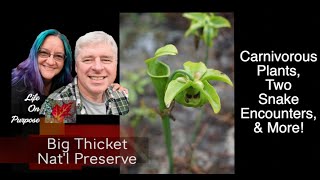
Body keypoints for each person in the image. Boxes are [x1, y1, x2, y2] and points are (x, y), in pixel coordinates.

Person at [40, 31, 129, 122]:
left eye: (106, 60)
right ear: (76, 67)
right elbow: (50, 136)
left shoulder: (123, 97)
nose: (97, 67)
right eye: (88, 60)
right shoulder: (57, 104)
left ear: (116, 64)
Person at [11, 29, 73, 115]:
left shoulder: (67, 90)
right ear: (34, 54)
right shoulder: (16, 89)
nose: (50, 62)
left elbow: (60, 127)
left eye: (58, 56)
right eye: (44, 53)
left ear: (65, 61)